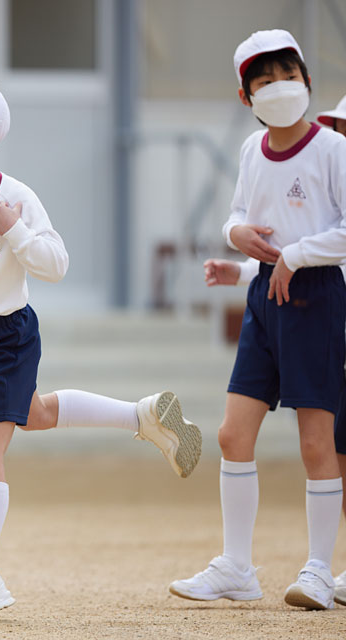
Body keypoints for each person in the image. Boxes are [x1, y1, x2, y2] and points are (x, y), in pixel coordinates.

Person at [0, 75, 202, 623]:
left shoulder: (16, 197)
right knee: (33, 413)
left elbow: (56, 266)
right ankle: (143, 415)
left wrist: (14, 231)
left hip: (10, 334)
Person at [169, 30, 346, 610]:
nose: (279, 87)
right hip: (264, 301)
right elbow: (240, 214)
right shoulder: (251, 149)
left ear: (308, 80)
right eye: (264, 80)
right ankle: (237, 568)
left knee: (317, 441)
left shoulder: (333, 149)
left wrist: (295, 255)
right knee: (231, 434)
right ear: (245, 97)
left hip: (317, 299)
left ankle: (319, 569)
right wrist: (236, 241)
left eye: (288, 75)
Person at [204, 255, 346, 607]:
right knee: (339, 454)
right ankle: (239, 565)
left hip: (323, 310)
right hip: (315, 315)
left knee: (325, 446)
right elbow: (298, 244)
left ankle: (318, 569)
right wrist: (241, 263)